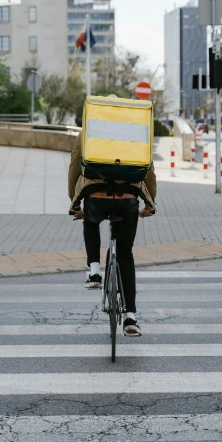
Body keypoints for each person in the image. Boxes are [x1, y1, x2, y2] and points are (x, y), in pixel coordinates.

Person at [68, 101, 156, 337]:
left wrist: (75, 201)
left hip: (95, 196)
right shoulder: (134, 131)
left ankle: (94, 270)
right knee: (125, 253)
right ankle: (131, 317)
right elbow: (149, 168)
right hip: (128, 198)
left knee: (90, 219)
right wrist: (150, 202)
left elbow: (75, 163)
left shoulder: (90, 130)